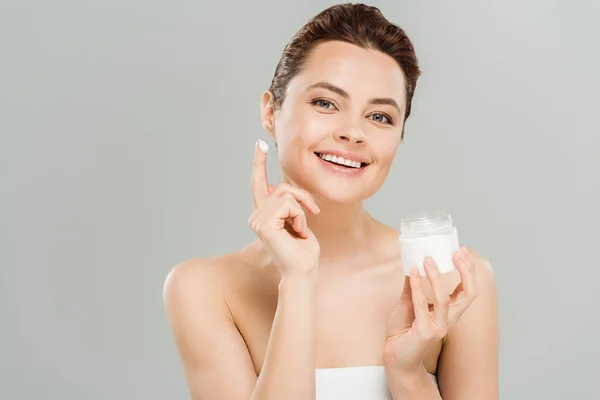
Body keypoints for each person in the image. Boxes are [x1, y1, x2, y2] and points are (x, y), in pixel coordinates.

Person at [163, 3, 499, 399]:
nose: (353, 132)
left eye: (380, 117)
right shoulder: (204, 289)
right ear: (271, 112)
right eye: (325, 103)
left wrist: (407, 374)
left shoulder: (455, 281)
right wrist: (298, 281)